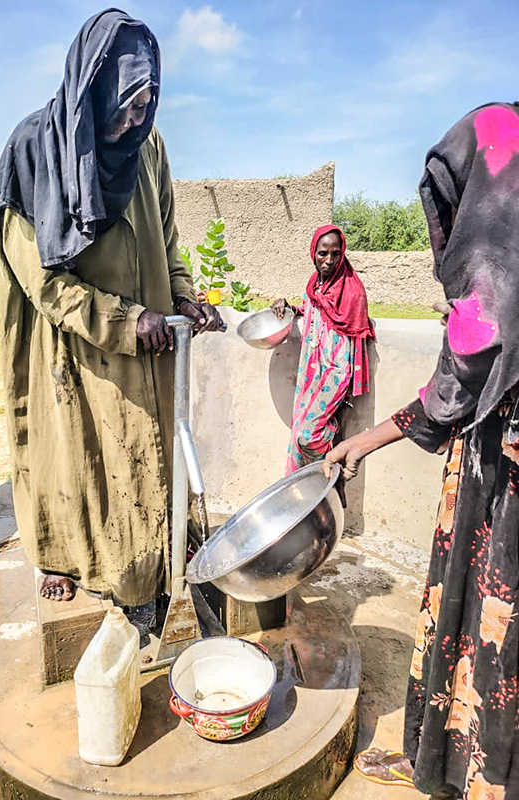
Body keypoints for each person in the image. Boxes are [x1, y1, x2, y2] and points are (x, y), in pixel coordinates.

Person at [0, 9, 223, 605]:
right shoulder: (31, 151)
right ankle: (63, 558)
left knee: (147, 454)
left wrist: (185, 297)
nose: (136, 118)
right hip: (77, 346)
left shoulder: (149, 148)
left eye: (148, 103)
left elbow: (168, 239)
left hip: (149, 342)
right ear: (92, 86)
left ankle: (155, 556)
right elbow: (43, 282)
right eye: (125, 103)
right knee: (79, 457)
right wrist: (122, 320)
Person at [324, 103, 519, 799]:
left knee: (483, 622)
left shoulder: (499, 247)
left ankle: (456, 770)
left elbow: (467, 369)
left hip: (503, 473)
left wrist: (364, 441)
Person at [272, 225, 375, 474]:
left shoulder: (351, 290)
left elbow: (353, 329)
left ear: (342, 254)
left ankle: (330, 460)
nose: (329, 260)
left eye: (335, 254)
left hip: (334, 373)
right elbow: (318, 310)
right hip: (311, 370)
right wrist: (291, 308)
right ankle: (303, 490)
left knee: (306, 435)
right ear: (313, 253)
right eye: (323, 253)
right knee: (298, 432)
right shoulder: (316, 284)